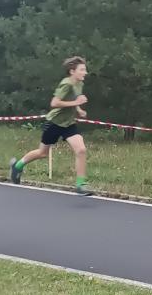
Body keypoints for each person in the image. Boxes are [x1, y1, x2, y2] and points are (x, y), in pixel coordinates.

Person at [9, 56, 93, 195]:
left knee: (81, 150)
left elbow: (74, 99)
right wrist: (76, 103)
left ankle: (80, 185)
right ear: (72, 71)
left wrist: (79, 109)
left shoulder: (79, 83)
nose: (85, 72)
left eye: (85, 69)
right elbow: (54, 103)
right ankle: (17, 166)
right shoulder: (66, 84)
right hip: (54, 123)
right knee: (42, 153)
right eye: (82, 70)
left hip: (69, 124)